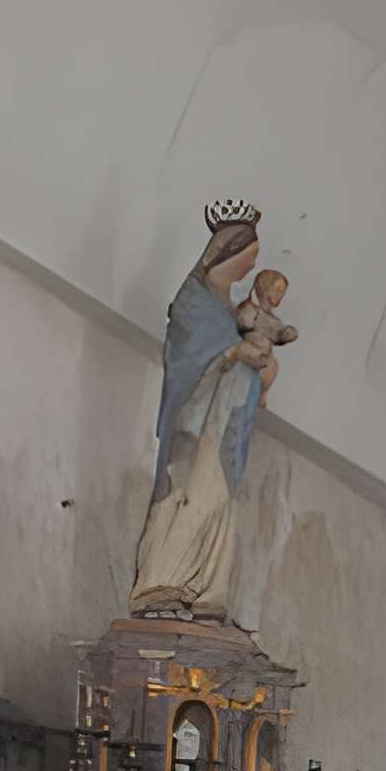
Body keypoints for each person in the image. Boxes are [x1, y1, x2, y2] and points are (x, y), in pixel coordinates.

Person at [129, 207, 293, 622]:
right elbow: (188, 353)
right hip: (196, 419)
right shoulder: (194, 298)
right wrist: (235, 351)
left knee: (219, 497)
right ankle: (159, 584)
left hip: (225, 423)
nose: (253, 266)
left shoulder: (229, 304)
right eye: (248, 257)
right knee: (187, 492)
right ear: (226, 253)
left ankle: (205, 591)